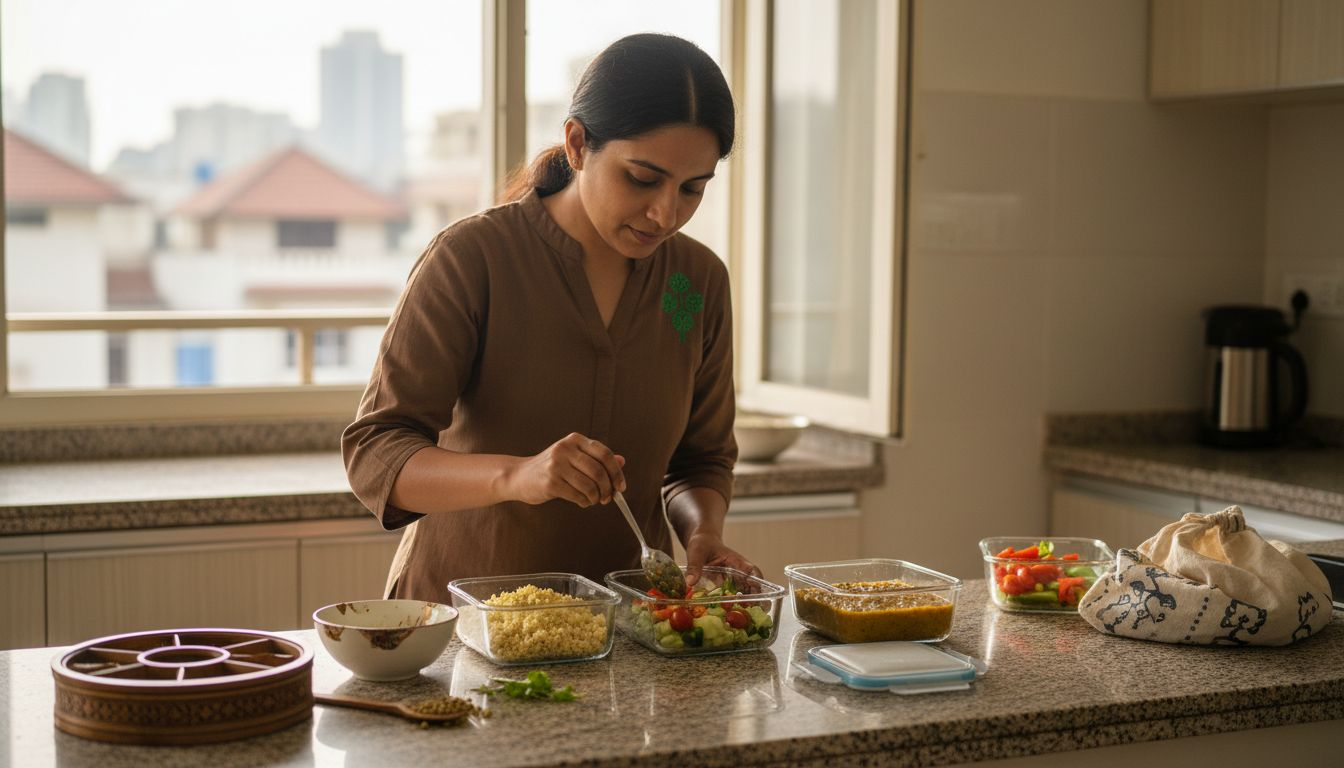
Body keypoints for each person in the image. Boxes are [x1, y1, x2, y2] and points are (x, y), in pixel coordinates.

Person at [342, 33, 758, 604]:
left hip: (628, 630)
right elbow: (376, 453)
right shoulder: (474, 260)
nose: (665, 213)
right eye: (642, 178)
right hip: (462, 628)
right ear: (578, 143)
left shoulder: (693, 284)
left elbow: (701, 460)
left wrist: (703, 534)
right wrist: (519, 476)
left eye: (693, 189)